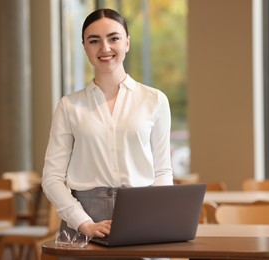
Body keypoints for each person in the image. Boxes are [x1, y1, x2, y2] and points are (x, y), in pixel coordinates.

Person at [42, 8, 173, 243]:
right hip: (83, 220)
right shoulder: (69, 106)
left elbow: (162, 171)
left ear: (127, 43)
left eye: (114, 38)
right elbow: (51, 178)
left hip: (141, 217)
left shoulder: (155, 100)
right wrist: (84, 222)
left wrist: (150, 215)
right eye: (94, 41)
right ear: (84, 47)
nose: (105, 48)